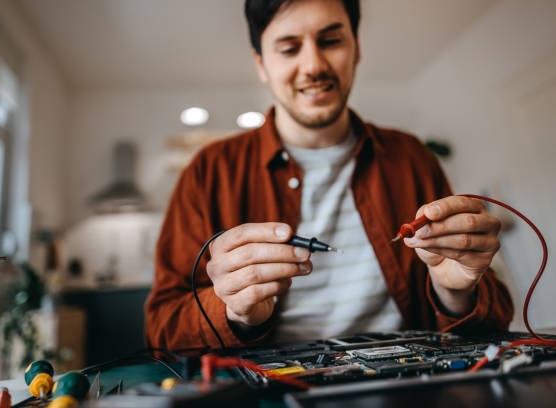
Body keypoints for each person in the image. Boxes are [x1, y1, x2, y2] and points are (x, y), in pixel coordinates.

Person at [144, 0, 512, 350]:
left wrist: (457, 293)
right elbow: (161, 332)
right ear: (261, 65)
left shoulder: (412, 158)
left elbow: (492, 321)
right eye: (289, 49)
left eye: (331, 41)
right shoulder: (209, 171)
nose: (313, 65)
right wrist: (233, 312)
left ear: (357, 48)